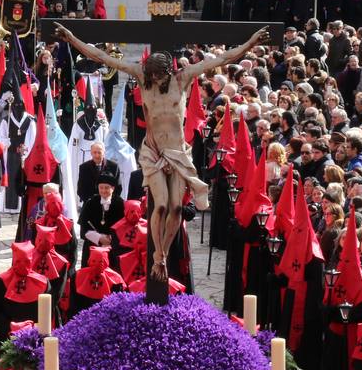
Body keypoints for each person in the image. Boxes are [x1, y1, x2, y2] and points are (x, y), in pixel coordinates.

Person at [54, 24, 269, 284]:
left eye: (157, 76)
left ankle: (163, 252)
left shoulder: (183, 78)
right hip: (154, 151)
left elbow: (224, 58)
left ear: (167, 72)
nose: (153, 79)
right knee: (163, 204)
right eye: (151, 75)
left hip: (178, 151)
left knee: (177, 209)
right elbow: (102, 58)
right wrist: (72, 38)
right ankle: (158, 255)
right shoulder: (143, 77)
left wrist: (251, 44)